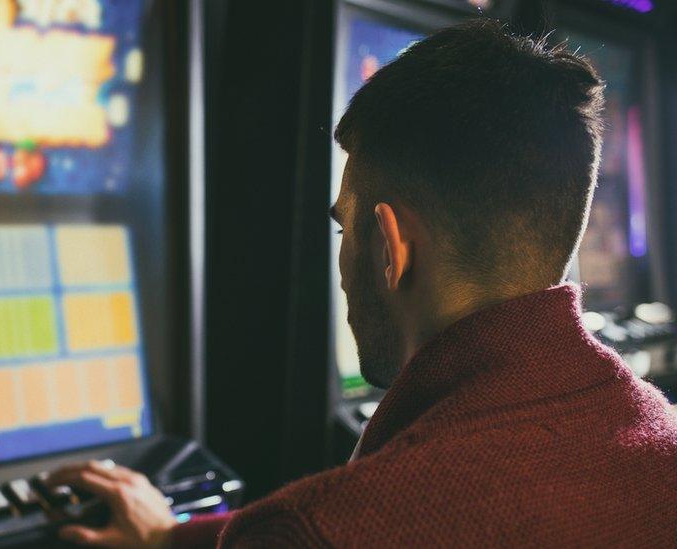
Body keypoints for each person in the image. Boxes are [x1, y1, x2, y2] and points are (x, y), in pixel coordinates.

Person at [47, 19, 677, 547]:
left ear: (390, 245)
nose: (342, 254)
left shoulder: (329, 527)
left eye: (343, 226)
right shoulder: (657, 432)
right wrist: (169, 537)